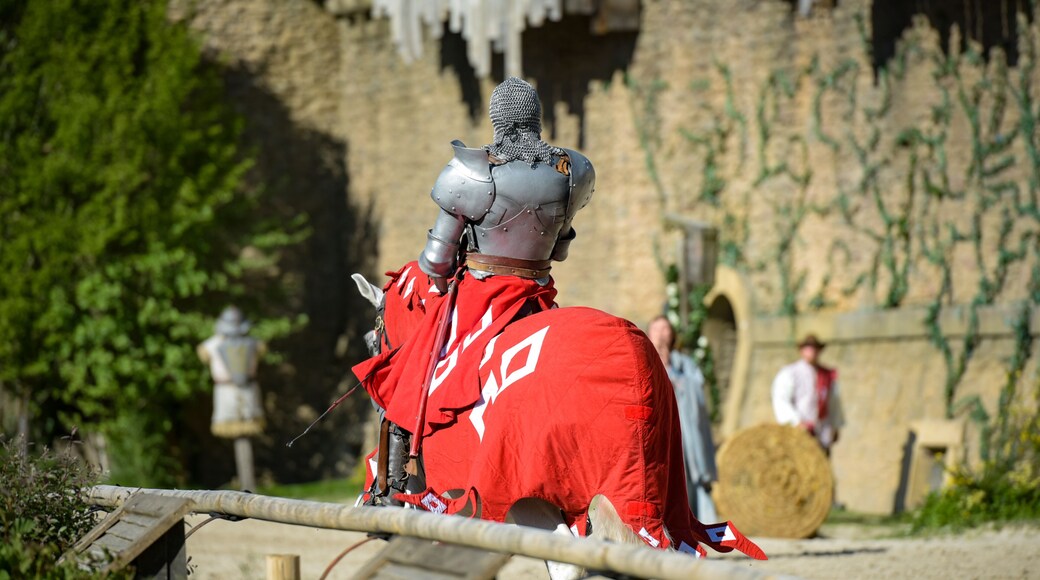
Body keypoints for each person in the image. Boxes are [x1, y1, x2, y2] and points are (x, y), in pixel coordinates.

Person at [353, 76, 595, 506]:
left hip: (480, 298)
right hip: (536, 299)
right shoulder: (571, 172)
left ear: (497, 117)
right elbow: (559, 251)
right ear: (536, 116)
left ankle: (390, 485)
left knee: (413, 368)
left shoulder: (474, 170)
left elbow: (435, 264)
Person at [646, 316, 718, 522]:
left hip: (683, 428)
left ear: (672, 334)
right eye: (656, 329)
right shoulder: (644, 359)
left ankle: (693, 520)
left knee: (687, 473)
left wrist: (670, 369)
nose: (661, 333)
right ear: (649, 334)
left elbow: (697, 391)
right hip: (655, 427)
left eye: (665, 328)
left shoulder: (685, 364)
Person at [771, 334, 844, 454]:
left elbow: (834, 402)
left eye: (815, 347)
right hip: (798, 434)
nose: (812, 351)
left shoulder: (827, 375)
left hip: (821, 434)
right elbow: (781, 400)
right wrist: (796, 422)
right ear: (801, 350)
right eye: (808, 347)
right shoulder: (790, 373)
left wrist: (835, 426)